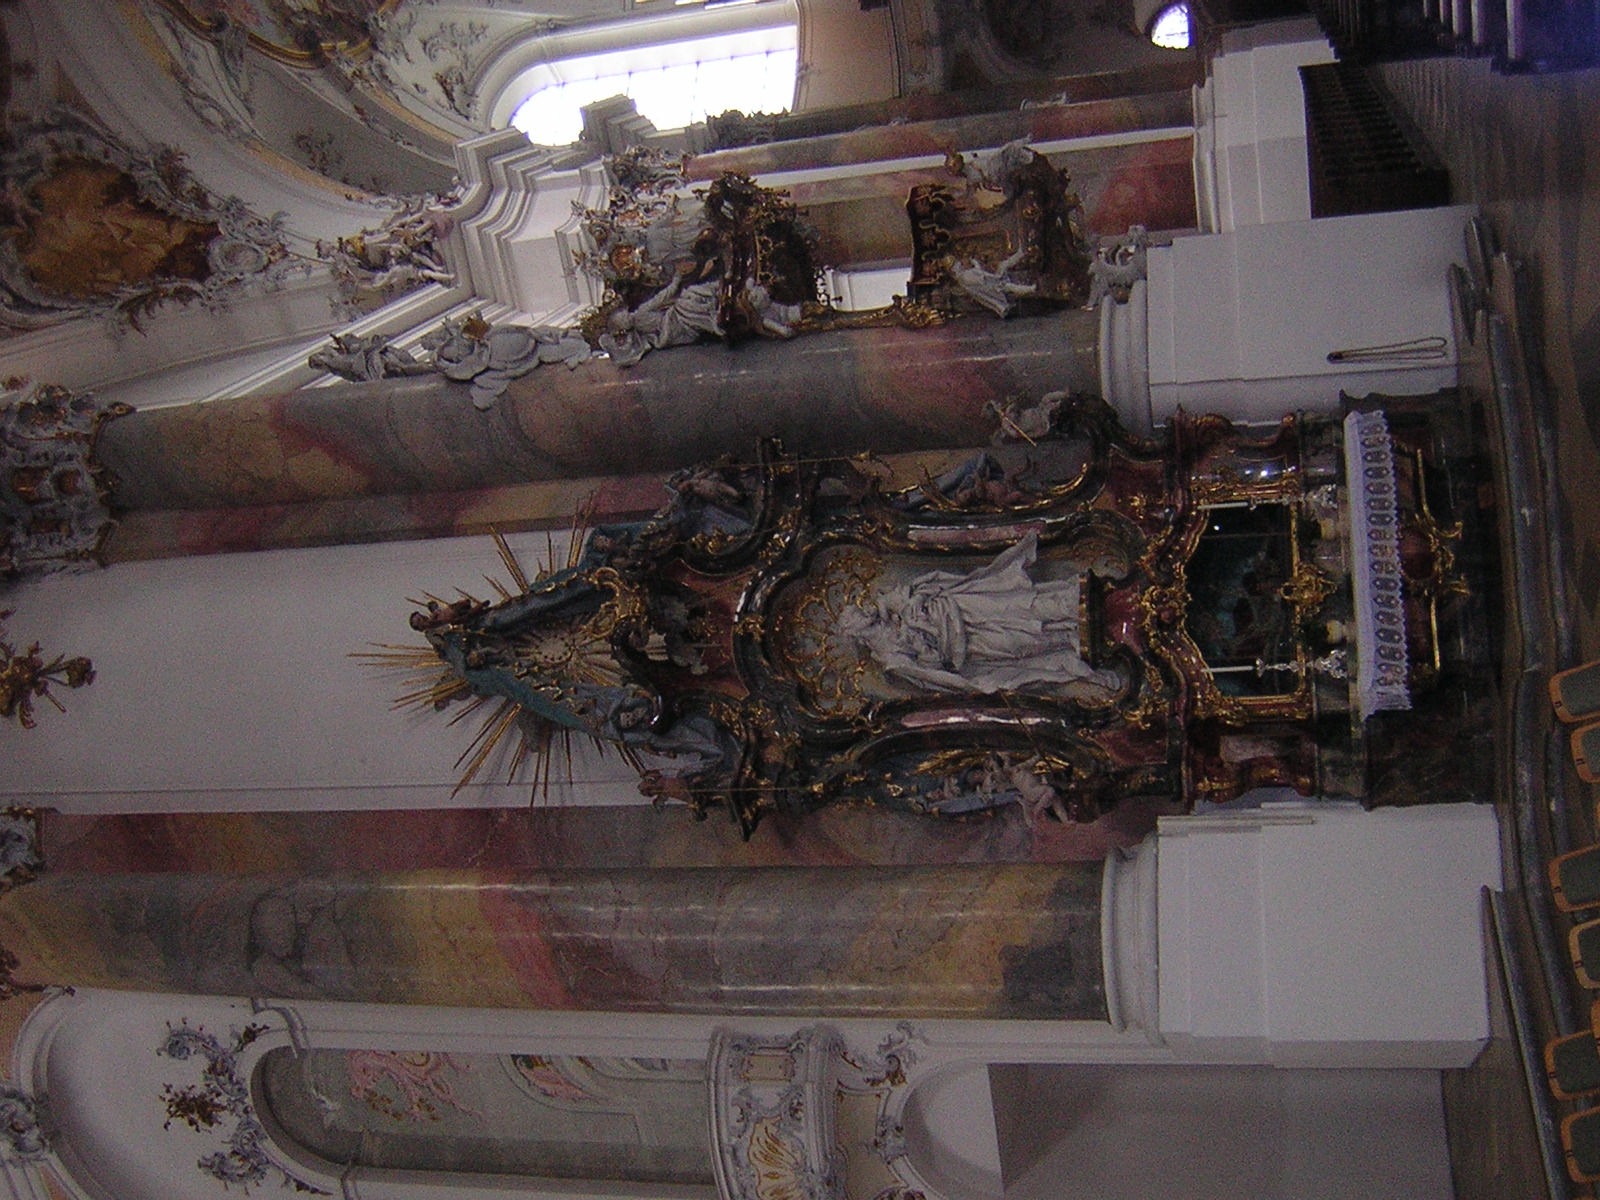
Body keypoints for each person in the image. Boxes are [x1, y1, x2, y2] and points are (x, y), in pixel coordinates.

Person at [836, 530, 1120, 695]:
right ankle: (1068, 639)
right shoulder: (891, 659)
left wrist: (917, 607)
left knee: (1015, 605)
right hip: (966, 645)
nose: (861, 610)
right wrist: (931, 648)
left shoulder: (886, 603)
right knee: (1017, 643)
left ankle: (1065, 605)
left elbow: (919, 589)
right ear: (856, 632)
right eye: (854, 615)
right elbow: (936, 674)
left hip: (960, 607)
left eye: (855, 608)